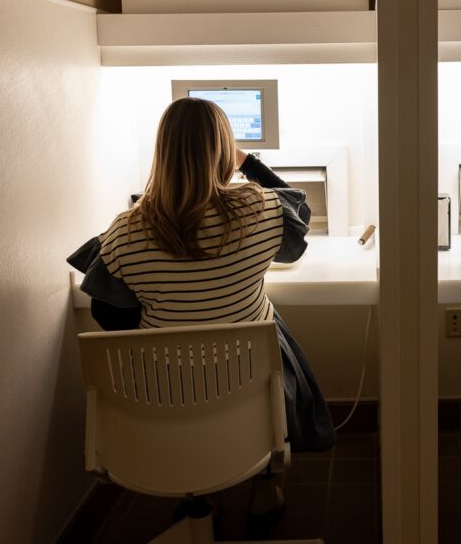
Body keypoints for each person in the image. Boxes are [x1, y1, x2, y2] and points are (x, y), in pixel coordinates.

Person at [67, 97, 335, 516]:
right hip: (250, 379)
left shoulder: (125, 229)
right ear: (223, 151)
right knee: (269, 331)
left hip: (163, 393)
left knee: (174, 364)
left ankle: (195, 485)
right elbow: (296, 222)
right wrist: (247, 161)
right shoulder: (258, 209)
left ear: (162, 151)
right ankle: (266, 487)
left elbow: (108, 312)